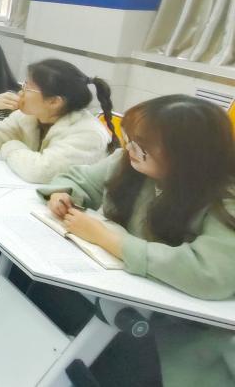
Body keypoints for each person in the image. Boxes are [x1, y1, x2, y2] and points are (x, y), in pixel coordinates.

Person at [36, 94, 235, 386]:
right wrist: (62, 194)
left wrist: (109, 240)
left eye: (143, 146)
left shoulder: (224, 199)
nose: (130, 149)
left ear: (187, 156)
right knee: (41, 292)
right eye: (130, 139)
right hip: (118, 297)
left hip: (179, 335)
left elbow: (210, 274)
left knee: (93, 340)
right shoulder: (130, 163)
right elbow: (81, 179)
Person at [0, 58, 118, 183]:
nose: (21, 92)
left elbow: (40, 172)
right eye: (24, 84)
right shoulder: (29, 117)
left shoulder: (89, 134)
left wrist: (10, 146)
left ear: (54, 101)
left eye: (27, 88)